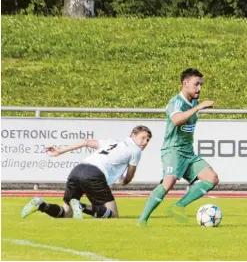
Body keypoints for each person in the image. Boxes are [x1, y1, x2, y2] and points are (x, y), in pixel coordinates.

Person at [137, 68, 219, 226]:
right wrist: (198, 107)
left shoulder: (193, 101)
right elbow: (176, 120)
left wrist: (197, 105)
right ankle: (142, 220)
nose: (199, 88)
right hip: (173, 150)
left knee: (212, 178)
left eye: (201, 85)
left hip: (188, 153)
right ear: (185, 83)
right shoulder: (176, 102)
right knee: (168, 182)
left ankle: (178, 206)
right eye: (196, 84)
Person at [21, 125, 152, 219]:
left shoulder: (112, 142)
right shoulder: (136, 150)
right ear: (132, 135)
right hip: (94, 174)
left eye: (148, 140)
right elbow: (130, 174)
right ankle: (81, 206)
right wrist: (124, 181)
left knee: (66, 213)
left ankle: (41, 204)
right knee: (113, 215)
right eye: (143, 138)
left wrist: (60, 151)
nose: (145, 142)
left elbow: (85, 142)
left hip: (77, 170)